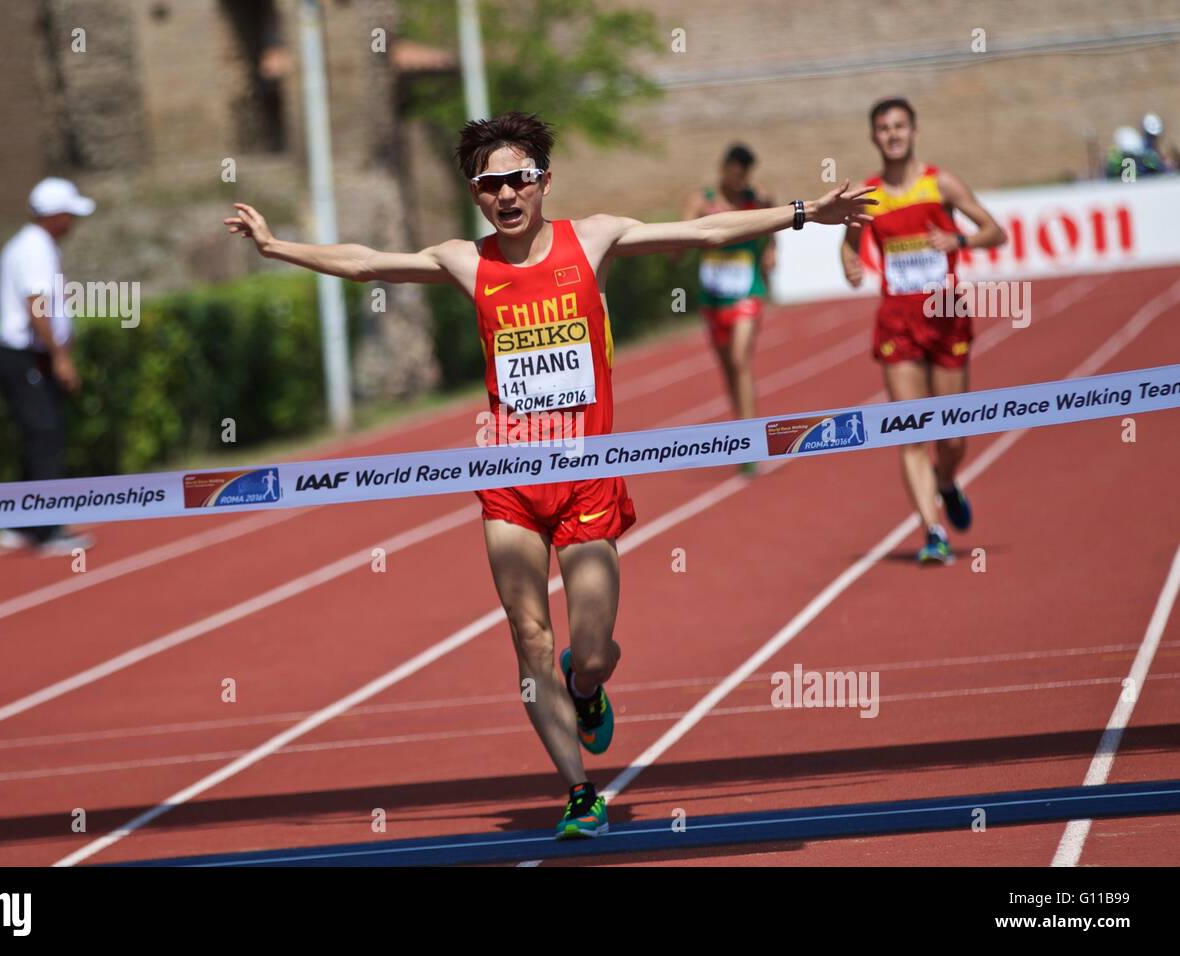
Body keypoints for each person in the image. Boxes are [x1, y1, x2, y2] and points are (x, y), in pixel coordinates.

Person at [227, 111, 875, 837]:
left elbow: (700, 234)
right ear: (475, 194)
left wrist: (804, 213)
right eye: (489, 184)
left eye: (517, 180)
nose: (505, 195)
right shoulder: (464, 260)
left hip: (589, 478)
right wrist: (278, 246)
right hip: (509, 482)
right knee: (528, 633)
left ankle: (588, 685)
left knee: (589, 651)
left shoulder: (591, 238)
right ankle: (578, 791)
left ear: (543, 182)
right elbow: (366, 262)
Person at [840, 97, 1007, 564]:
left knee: (952, 437)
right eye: (883, 128)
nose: (892, 134)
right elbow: (849, 246)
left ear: (914, 131)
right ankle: (933, 533)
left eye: (899, 126)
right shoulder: (870, 194)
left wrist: (960, 240)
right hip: (898, 323)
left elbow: (996, 231)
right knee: (910, 432)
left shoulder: (942, 183)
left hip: (947, 314)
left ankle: (947, 481)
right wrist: (850, 265)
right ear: (874, 137)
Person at [0, 177, 95, 556]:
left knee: (39, 438)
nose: (72, 223)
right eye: (68, 214)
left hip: (27, 357)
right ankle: (48, 529)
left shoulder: (32, 244)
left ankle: (23, 522)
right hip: (26, 358)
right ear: (53, 216)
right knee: (46, 438)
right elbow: (36, 305)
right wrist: (60, 356)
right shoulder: (34, 247)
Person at [683, 144, 776, 471]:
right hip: (713, 298)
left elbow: (774, 218)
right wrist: (677, 250)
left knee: (740, 360)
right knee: (727, 369)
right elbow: (681, 235)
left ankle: (751, 445)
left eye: (744, 176)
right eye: (734, 175)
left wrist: (771, 249)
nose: (739, 182)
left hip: (747, 291)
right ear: (724, 170)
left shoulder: (757, 198)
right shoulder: (702, 200)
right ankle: (742, 432)